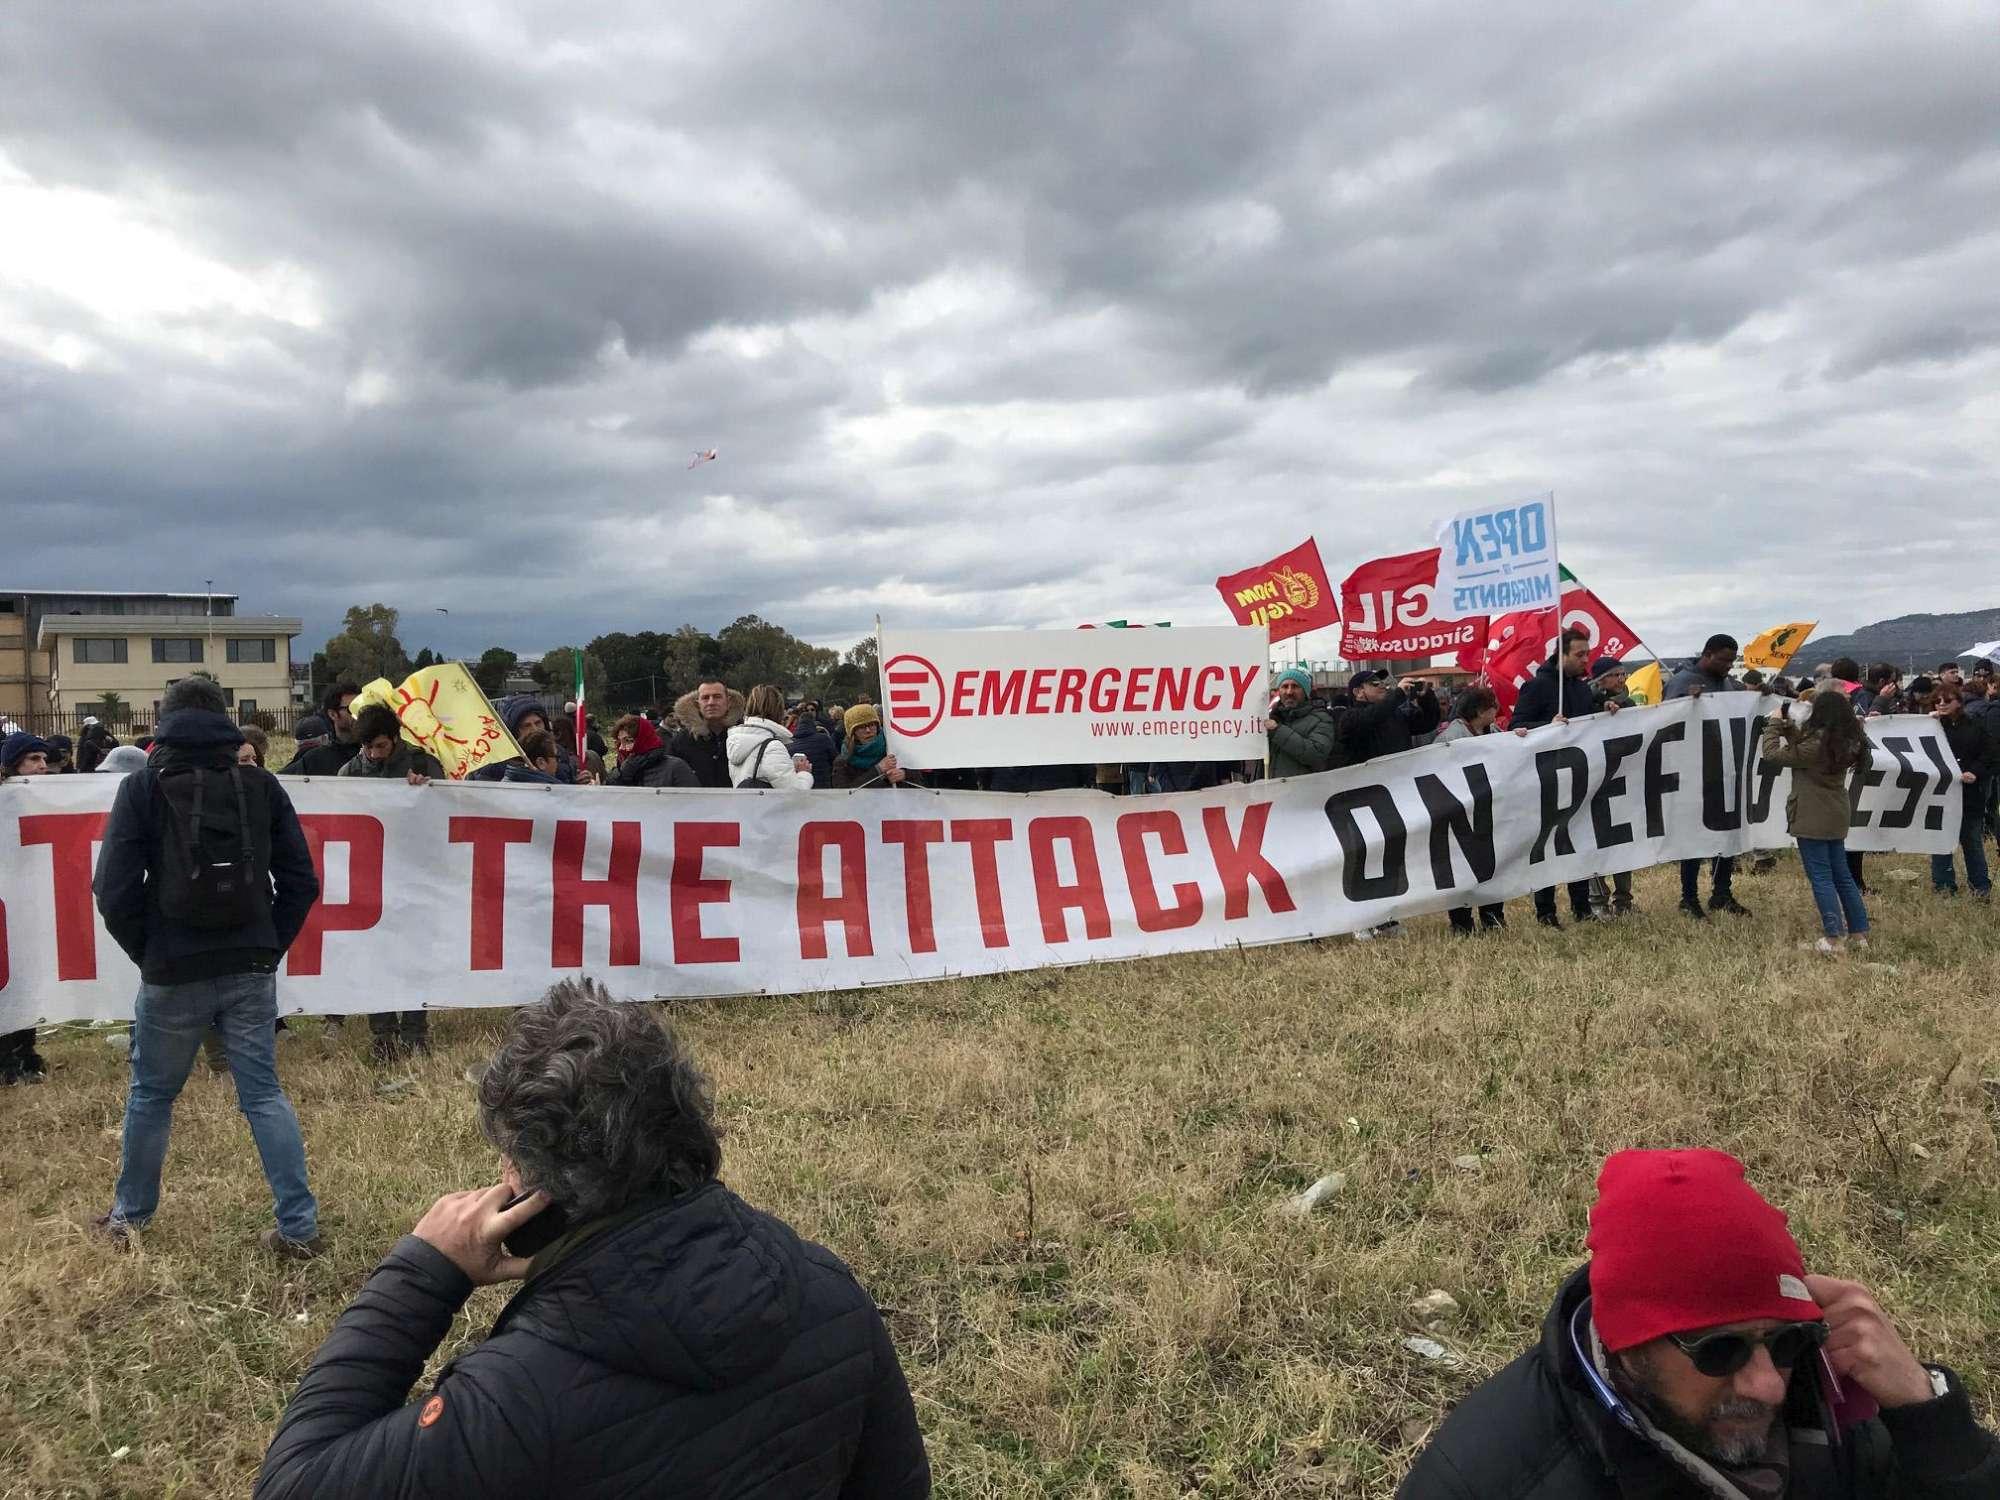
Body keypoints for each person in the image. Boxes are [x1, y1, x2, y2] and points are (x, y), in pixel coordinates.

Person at [253, 978, 931, 1499]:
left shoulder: (510, 1401)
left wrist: (422, 1271)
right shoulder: (830, 1290)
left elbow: (293, 1482)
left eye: (509, 1157)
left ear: (530, 1190)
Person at [1397, 1148, 1999, 1498]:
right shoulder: (1496, 1481)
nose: (1769, 1385)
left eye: (1785, 1339)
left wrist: (1930, 1421)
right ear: (1626, 1347)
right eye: (1720, 1350)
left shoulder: (1828, 1394)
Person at [90, 677, 324, 1258]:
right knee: (263, 1095)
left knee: (151, 1096)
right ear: (224, 721)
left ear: (163, 720)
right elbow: (300, 881)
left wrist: (150, 952)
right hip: (249, 963)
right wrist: (267, 945)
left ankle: (130, 1218)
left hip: (172, 968)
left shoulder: (143, 787)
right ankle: (299, 1228)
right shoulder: (260, 785)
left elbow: (112, 889)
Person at [337, 705, 441, 1059]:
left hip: (415, 876)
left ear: (395, 740)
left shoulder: (422, 764)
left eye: (381, 746)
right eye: (368, 747)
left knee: (413, 953)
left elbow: (446, 810)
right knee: (374, 954)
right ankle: (382, 1034)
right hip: (370, 880)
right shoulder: (350, 772)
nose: (374, 754)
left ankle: (415, 1032)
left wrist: (426, 792)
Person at [1758, 686, 1874, 955]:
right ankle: (1859, 933)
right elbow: (1805, 744)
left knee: (1821, 876)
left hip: (1812, 814)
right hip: (1836, 812)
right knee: (1842, 875)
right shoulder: (1850, 739)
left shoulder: (1816, 744)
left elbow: (1772, 754)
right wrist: (1790, 728)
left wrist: (1775, 723)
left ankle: (1833, 938)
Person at [1513, 630, 1610, 928]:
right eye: (1580, 654)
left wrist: (1605, 710)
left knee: (1578, 841)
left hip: (1579, 778)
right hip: (1545, 780)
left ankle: (1581, 907)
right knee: (1546, 846)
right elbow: (1517, 727)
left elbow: (1587, 723)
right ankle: (1546, 912)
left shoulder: (1582, 689)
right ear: (1562, 655)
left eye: (1587, 653)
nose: (1586, 660)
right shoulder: (1536, 687)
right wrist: (1547, 727)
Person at [1664, 634, 1754, 921]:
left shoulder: (1727, 683)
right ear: (1708, 654)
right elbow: (1665, 722)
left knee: (1726, 834)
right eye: (1725, 659)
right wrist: (1684, 704)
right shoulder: (1681, 682)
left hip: (1725, 772)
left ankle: (1721, 892)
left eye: (1732, 660)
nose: (1729, 665)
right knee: (1694, 838)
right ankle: (1688, 898)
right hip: (1693, 774)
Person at [1432, 686, 1520, 934]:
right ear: (1481, 711)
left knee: (1493, 865)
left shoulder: (1492, 731)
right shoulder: (1450, 739)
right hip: (1462, 813)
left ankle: (1492, 917)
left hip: (1489, 810)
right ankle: (1461, 922)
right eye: (1493, 706)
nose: (1497, 710)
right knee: (1463, 869)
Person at [0, 731, 56, 1081]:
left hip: (29, 907)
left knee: (26, 981)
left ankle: (23, 1051)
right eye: (34, 760)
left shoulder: (47, 800)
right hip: (6, 906)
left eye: (46, 760)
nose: (43, 767)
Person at [1587, 658, 1640, 916]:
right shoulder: (1586, 705)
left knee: (1623, 841)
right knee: (1594, 841)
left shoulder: (1628, 704)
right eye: (1615, 674)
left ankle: (1623, 900)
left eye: (1623, 674)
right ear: (1600, 679)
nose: (1621, 679)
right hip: (1593, 782)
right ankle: (1597, 900)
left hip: (1621, 779)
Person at [1928, 685, 1991, 900]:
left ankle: (1980, 887)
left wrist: (1975, 772)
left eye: (1947, 700)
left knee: (1971, 841)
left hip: (1970, 795)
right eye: (1938, 701)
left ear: (1959, 702)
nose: (1942, 704)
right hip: (1939, 795)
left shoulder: (1976, 725)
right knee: (1940, 841)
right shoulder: (1931, 726)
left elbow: (1990, 755)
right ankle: (1944, 886)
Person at [1334, 668, 1442, 767]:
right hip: (1369, 783)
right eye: (1375, 683)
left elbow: (1428, 723)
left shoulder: (1395, 714)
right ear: (1358, 692)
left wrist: (1426, 696)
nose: (1382, 686)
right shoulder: (1349, 718)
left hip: (1400, 779)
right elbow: (1372, 716)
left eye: (1383, 682)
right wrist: (1398, 694)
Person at [727, 684, 815, 789]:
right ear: (778, 710)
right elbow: (795, 793)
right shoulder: (772, 747)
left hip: (745, 803)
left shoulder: (737, 741)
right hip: (769, 805)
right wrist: (804, 773)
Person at [669, 680, 744, 789]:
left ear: (728, 702)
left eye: (717, 697)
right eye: (705, 698)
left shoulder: (743, 735)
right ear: (697, 703)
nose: (711, 702)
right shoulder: (681, 741)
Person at [1266, 666, 1335, 778]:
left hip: (1302, 791)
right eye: (1284, 686)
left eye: (1295, 686)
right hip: (1269, 791)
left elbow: (1316, 755)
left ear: (1306, 692)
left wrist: (1277, 731)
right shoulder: (1272, 717)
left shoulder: (1321, 719)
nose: (1289, 692)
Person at [829, 704, 919, 788]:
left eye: (871, 725)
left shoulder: (893, 751)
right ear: (853, 733)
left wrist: (904, 775)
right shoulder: (843, 761)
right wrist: (878, 770)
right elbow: (843, 793)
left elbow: (921, 780)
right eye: (861, 727)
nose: (868, 730)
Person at [282, 683, 363, 775]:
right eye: (352, 708)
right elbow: (281, 780)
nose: (359, 713)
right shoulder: (316, 759)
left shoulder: (375, 752)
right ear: (332, 714)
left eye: (361, 707)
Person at [607, 713, 700, 788]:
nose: (621, 748)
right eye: (620, 742)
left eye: (628, 740)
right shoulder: (623, 769)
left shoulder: (675, 768)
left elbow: (693, 802)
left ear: (644, 740)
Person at [789, 700, 838, 785]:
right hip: (822, 785)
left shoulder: (790, 743)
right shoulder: (823, 738)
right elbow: (835, 758)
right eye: (808, 710)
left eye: (812, 710)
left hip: (801, 786)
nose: (810, 712)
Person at [502, 729, 575, 785]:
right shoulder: (547, 793)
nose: (558, 762)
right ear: (541, 763)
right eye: (557, 757)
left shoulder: (506, 785)